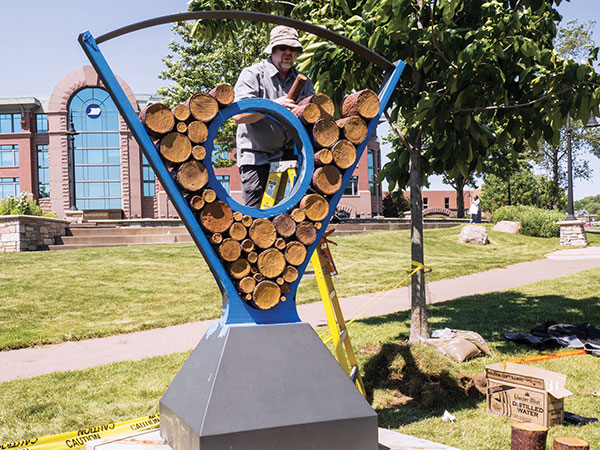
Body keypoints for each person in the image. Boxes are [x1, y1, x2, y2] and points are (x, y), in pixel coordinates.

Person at [233, 26, 314, 207]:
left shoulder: (304, 82)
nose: (288, 52)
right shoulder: (252, 74)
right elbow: (239, 116)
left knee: (288, 220)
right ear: (272, 49)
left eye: (293, 49)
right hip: (257, 159)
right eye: (283, 47)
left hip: (291, 160)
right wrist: (273, 106)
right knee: (258, 221)